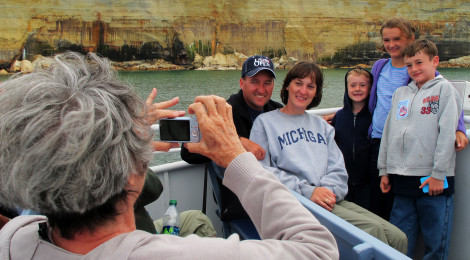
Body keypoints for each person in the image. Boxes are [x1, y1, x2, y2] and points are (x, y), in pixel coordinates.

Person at [0, 52, 338, 259]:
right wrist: (236, 155)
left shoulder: (15, 237)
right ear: (133, 177)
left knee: (198, 221)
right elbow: (318, 250)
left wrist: (130, 134)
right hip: (244, 209)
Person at [250, 61, 407, 253]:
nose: (303, 91)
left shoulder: (322, 126)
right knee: (372, 231)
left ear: (316, 93)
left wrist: (329, 191)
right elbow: (264, 171)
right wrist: (309, 192)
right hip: (297, 202)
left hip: (330, 199)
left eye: (311, 86)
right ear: (287, 86)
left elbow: (338, 168)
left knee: (398, 237)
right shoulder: (265, 123)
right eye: (299, 83)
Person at [324, 17, 467, 220]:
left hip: (404, 146)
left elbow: (446, 95)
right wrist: (341, 114)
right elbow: (370, 99)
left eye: (397, 39)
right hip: (377, 142)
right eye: (386, 40)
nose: (391, 45)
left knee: (395, 201)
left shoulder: (417, 69)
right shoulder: (380, 67)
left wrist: (459, 128)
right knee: (376, 196)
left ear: (411, 38)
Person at [378, 39, 460, 259]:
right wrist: (384, 170)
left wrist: (437, 174)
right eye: (409, 65)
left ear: (435, 61)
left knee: (436, 244)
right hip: (402, 179)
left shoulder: (445, 91)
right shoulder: (401, 94)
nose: (413, 69)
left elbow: (446, 135)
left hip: (432, 181)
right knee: (400, 242)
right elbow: (389, 132)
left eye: (419, 63)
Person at [181, 55, 283, 220]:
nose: (262, 90)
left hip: (276, 189)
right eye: (255, 81)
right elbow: (188, 153)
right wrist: (239, 141)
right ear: (242, 83)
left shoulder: (278, 111)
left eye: (267, 83)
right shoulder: (225, 111)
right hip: (239, 200)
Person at [331, 67, 373, 210]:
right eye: (353, 85)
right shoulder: (340, 117)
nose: (357, 89)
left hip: (368, 182)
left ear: (370, 88)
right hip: (344, 180)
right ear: (346, 88)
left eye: (362, 85)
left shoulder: (374, 117)